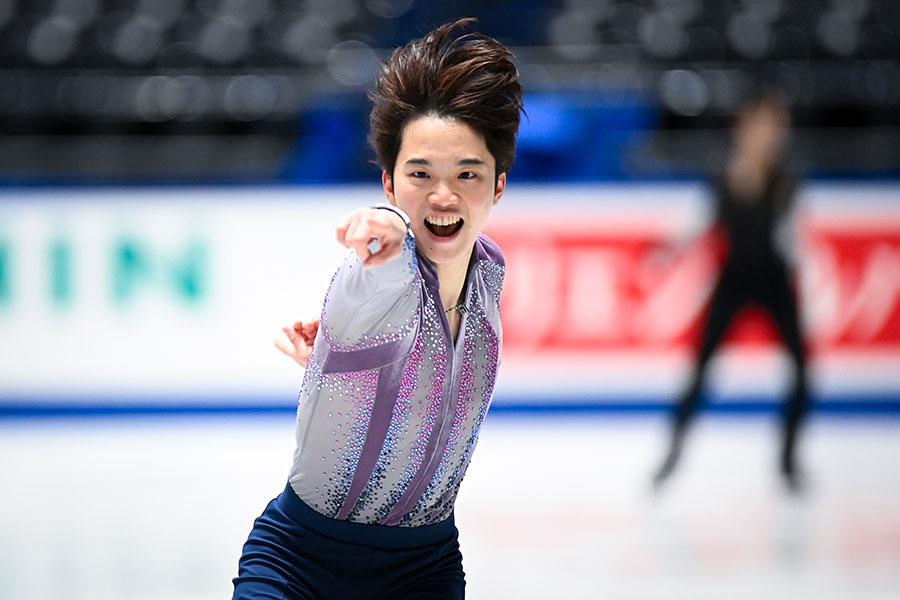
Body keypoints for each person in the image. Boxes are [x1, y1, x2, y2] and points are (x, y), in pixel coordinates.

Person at [232, 18, 524, 600]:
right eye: (421, 175)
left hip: (424, 570)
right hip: (301, 564)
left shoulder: (489, 276)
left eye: (467, 173)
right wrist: (382, 228)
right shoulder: (375, 270)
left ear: (497, 187)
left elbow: (424, 367)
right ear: (389, 184)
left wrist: (335, 369)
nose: (443, 196)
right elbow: (382, 260)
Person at [652, 90, 810, 494]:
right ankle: (671, 457)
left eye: (775, 127)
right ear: (744, 128)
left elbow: (792, 238)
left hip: (774, 280)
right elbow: (699, 219)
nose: (768, 135)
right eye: (761, 125)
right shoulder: (724, 172)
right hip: (734, 279)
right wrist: (667, 251)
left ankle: (788, 463)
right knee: (701, 369)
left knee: (802, 372)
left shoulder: (785, 179)